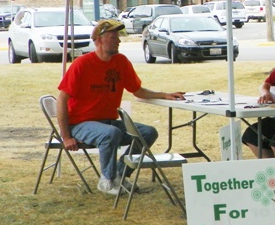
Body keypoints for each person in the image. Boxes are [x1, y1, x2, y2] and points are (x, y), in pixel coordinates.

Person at [57, 18, 185, 195]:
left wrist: (164, 95)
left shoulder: (121, 62)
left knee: (148, 133)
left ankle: (120, 174)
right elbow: (62, 99)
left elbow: (137, 91)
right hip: (80, 124)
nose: (118, 41)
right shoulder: (82, 64)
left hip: (108, 122)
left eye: (118, 37)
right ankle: (107, 180)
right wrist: (66, 136)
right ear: (99, 40)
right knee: (111, 133)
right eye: (113, 37)